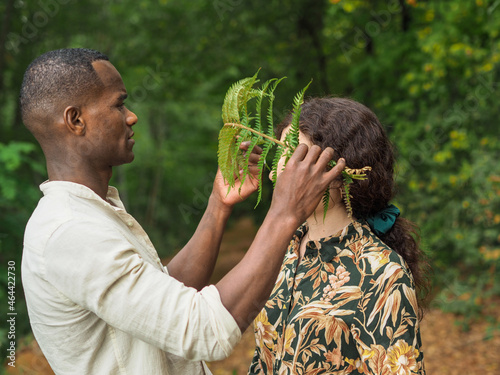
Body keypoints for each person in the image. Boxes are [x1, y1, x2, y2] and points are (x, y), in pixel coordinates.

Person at [19, 48, 346, 375]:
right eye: (119, 104)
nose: (131, 116)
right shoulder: (70, 230)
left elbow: (167, 295)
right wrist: (284, 214)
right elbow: (203, 331)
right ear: (75, 120)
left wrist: (218, 207)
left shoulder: (93, 211)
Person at [248, 97, 430, 375]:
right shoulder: (281, 250)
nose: (275, 174)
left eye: (294, 156)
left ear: (337, 173)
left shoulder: (381, 273)